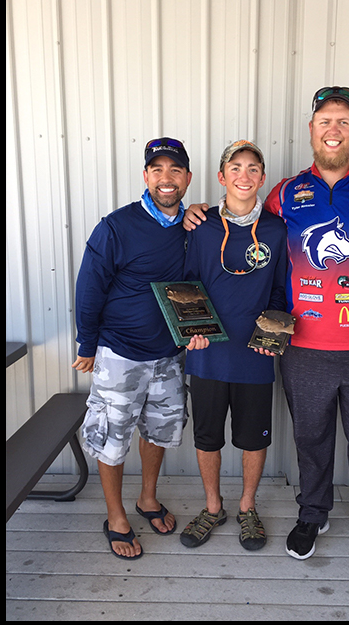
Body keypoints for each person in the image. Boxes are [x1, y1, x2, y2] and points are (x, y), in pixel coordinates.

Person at [183, 87, 349, 568]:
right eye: (325, 121)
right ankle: (313, 514)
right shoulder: (286, 193)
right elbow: (244, 219)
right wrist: (199, 213)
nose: (334, 129)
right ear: (311, 130)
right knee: (311, 439)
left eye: (344, 121)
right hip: (302, 347)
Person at [72, 137, 209, 560]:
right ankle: (115, 516)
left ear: (187, 178)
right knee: (112, 438)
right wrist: (88, 342)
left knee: (160, 432)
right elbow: (89, 287)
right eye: (157, 170)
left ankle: (147, 499)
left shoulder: (196, 226)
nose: (166, 179)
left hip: (169, 355)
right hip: (120, 354)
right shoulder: (116, 226)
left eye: (175, 171)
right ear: (145, 176)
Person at [179, 140, 287, 551]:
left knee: (253, 438)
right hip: (207, 352)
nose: (245, 175)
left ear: (262, 177)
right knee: (207, 437)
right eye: (235, 168)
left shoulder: (276, 229)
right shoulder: (201, 225)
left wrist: (272, 336)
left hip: (255, 355)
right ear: (222, 177)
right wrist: (193, 330)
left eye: (253, 168)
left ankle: (246, 508)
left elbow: (281, 291)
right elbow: (186, 284)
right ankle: (212, 507)